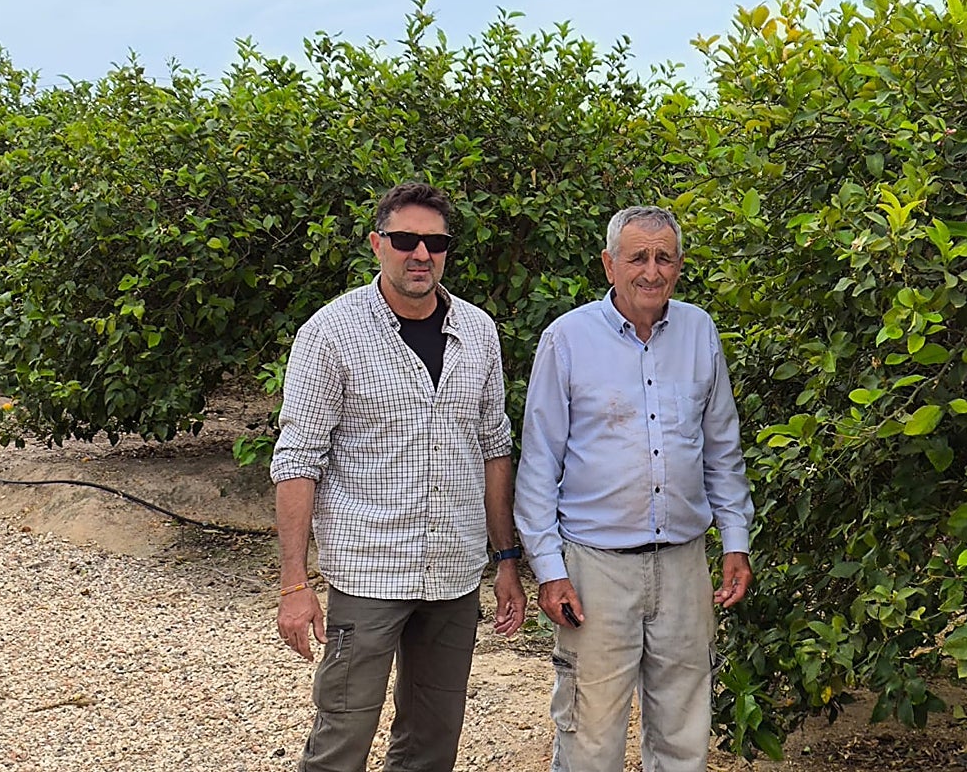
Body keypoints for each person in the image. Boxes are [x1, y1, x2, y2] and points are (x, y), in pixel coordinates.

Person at [270, 181, 527, 772]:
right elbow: (298, 458)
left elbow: (493, 449)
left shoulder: (479, 332)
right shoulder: (330, 333)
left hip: (456, 574)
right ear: (377, 244)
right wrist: (293, 583)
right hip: (369, 571)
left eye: (434, 243)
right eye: (405, 239)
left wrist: (506, 560)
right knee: (342, 736)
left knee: (433, 741)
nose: (420, 254)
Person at [514, 205, 756, 772]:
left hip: (682, 566)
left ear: (678, 265)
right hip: (596, 569)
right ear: (608, 265)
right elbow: (538, 466)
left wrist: (736, 541)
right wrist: (550, 571)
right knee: (590, 734)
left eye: (664, 257)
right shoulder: (566, 339)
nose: (652, 271)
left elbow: (721, 446)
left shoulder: (699, 331)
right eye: (637, 257)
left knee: (683, 731)